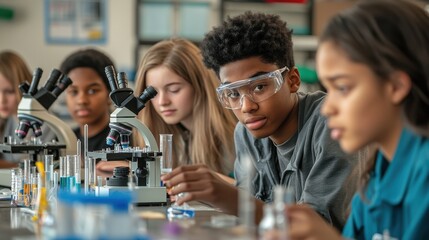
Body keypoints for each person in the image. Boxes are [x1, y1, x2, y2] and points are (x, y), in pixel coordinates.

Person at [161, 12, 357, 228]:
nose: (247, 107)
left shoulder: (331, 124)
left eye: (259, 86)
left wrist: (234, 200)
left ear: (292, 80)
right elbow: (249, 224)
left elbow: (316, 229)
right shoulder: (246, 134)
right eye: (233, 94)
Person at [284, 0, 429, 239]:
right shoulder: (375, 177)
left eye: (342, 88)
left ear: (395, 86)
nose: (327, 108)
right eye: (327, 89)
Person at [131, 38, 237, 183]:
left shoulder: (236, 136)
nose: (163, 101)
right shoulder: (176, 138)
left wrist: (210, 181)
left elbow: (254, 195)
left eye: (174, 89)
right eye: (153, 93)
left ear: (200, 86)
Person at [60, 49, 115, 161]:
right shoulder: (63, 140)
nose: (81, 100)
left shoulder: (126, 140)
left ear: (110, 94)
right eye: (74, 92)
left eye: (92, 91)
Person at [0, 51, 32, 168]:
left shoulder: (40, 123)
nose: (2, 100)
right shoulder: (7, 119)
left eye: (9, 91)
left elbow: (31, 166)